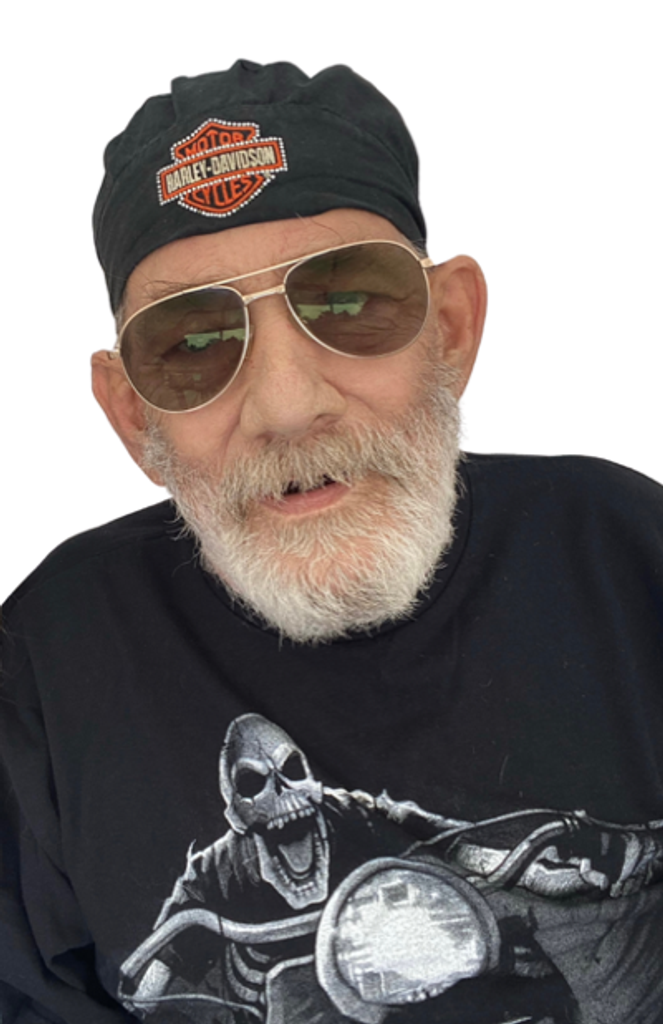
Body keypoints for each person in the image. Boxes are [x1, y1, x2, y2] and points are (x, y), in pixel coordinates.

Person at [1, 59, 662, 1024]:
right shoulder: (52, 662)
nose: (286, 405)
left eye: (348, 304)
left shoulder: (628, 560)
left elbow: (427, 832)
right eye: (192, 346)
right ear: (133, 416)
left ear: (449, 331)